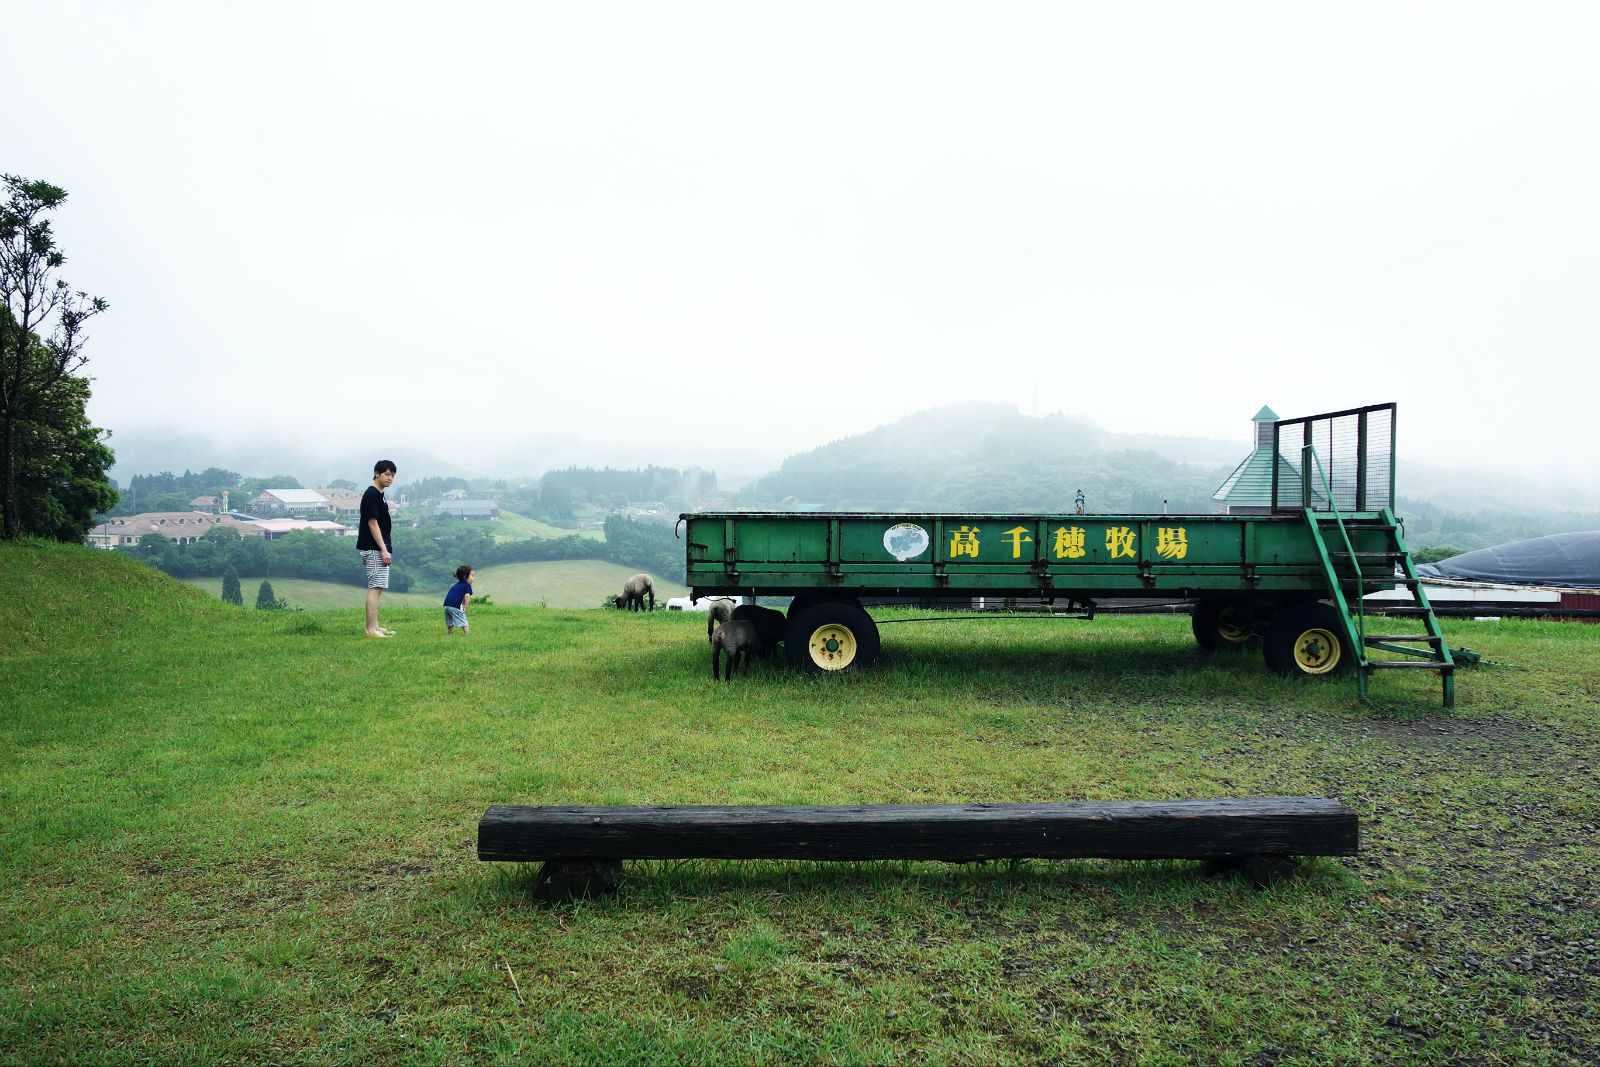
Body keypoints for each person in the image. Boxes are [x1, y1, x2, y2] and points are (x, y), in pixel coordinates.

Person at [358, 460, 397, 637]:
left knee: (379, 587)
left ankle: (376, 626)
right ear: (377, 474)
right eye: (387, 474)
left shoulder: (379, 494)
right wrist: (383, 549)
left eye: (393, 475)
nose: (390, 478)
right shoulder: (372, 494)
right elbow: (372, 523)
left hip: (379, 547)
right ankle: (370, 630)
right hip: (374, 548)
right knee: (375, 587)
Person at [444, 564, 474, 634]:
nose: (473, 578)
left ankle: (450, 632)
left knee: (449, 619)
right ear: (465, 577)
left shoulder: (455, 585)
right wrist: (466, 607)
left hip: (446, 605)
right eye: (472, 576)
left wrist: (462, 602)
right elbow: (467, 596)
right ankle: (467, 633)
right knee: (462, 618)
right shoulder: (467, 585)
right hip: (454, 606)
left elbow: (458, 595)